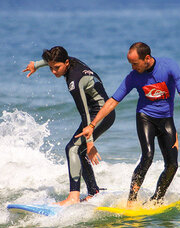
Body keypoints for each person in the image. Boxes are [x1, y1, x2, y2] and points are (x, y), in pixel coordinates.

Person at [76, 42, 180, 206]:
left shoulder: (169, 66)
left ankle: (157, 199)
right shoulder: (133, 77)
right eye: (130, 64)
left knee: (172, 165)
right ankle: (131, 200)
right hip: (145, 118)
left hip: (166, 119)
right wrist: (92, 125)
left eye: (135, 63)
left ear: (147, 58)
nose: (133, 67)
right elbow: (112, 101)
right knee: (147, 157)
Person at [23, 46, 115, 206]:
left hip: (100, 113)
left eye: (56, 68)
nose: (53, 71)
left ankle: (73, 197)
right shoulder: (71, 62)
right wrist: (36, 65)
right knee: (78, 150)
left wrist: (90, 141)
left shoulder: (74, 80)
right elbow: (51, 59)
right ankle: (94, 192)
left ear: (65, 63)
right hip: (101, 112)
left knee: (72, 148)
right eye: (51, 68)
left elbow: (84, 112)